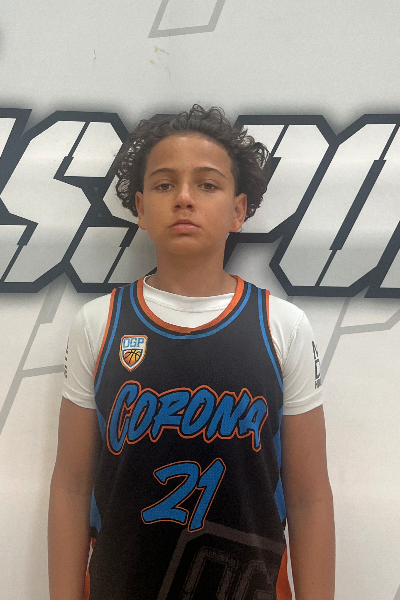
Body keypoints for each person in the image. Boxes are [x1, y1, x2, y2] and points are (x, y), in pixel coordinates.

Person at [48, 105, 335, 600]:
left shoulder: (282, 325)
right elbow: (71, 486)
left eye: (206, 184)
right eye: (164, 185)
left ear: (239, 210)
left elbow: (309, 497)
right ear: (140, 208)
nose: (184, 198)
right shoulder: (99, 323)